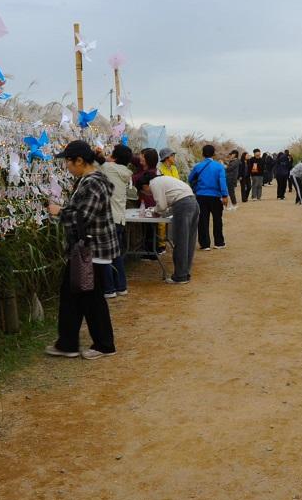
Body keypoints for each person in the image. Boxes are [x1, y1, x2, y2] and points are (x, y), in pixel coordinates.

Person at [45, 140, 118, 359]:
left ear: (79, 161)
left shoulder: (93, 183)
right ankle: (67, 344)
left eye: (68, 162)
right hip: (86, 250)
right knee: (73, 296)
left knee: (90, 298)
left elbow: (83, 217)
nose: (66, 166)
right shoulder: (88, 180)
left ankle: (104, 345)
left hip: (91, 250)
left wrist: (59, 211)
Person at [139, 172, 199, 284]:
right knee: (189, 241)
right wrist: (160, 211)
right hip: (193, 202)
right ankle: (185, 273)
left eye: (144, 191)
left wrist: (153, 211)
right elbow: (168, 206)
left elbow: (161, 206)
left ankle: (180, 276)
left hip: (183, 205)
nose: (148, 194)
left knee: (180, 241)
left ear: (144, 186)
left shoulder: (154, 183)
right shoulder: (163, 179)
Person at [99, 144, 134, 299]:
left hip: (108, 219)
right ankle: (121, 286)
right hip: (119, 218)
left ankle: (108, 289)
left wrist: (98, 153)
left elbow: (100, 161)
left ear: (115, 158)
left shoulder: (109, 168)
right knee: (116, 254)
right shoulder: (125, 172)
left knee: (105, 255)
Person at [188, 144, 230, 250]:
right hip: (215, 196)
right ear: (214, 154)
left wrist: (196, 187)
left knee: (202, 220)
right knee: (217, 219)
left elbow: (190, 178)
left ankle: (205, 244)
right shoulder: (219, 166)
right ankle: (219, 243)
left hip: (201, 195)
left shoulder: (198, 166)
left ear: (203, 154)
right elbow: (222, 181)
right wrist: (225, 195)